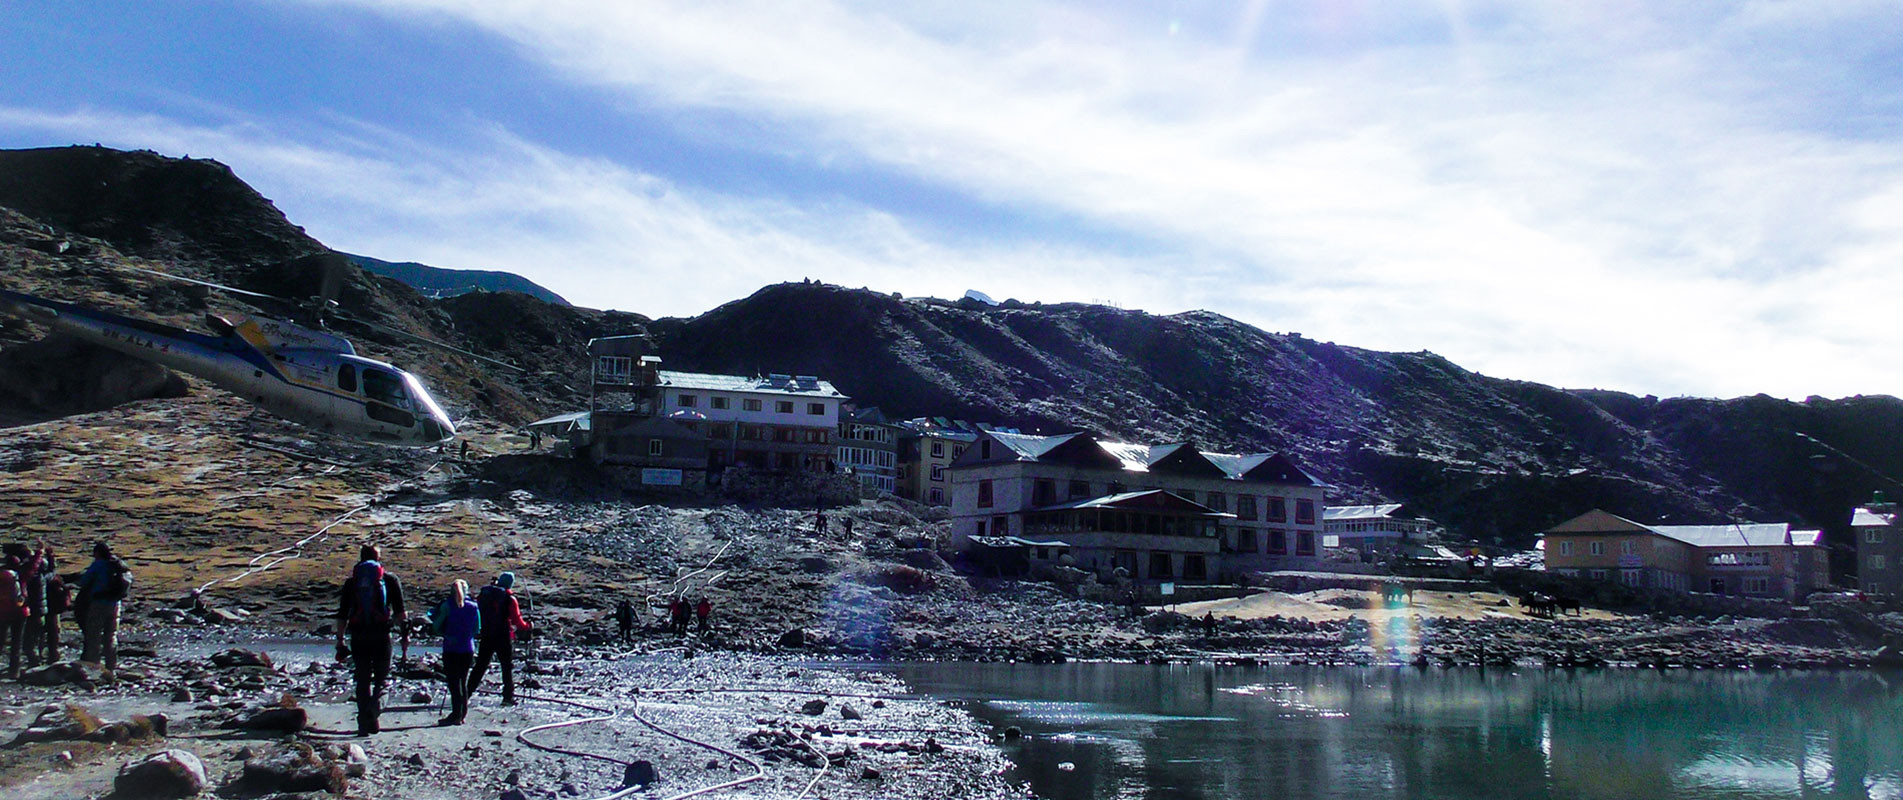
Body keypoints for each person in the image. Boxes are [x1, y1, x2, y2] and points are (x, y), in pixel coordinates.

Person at [336, 545, 406, 735]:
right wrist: (405, 638)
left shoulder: (352, 583)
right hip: (382, 636)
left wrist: (340, 640)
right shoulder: (390, 580)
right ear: (378, 558)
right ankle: (373, 713)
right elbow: (401, 614)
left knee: (362, 680)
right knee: (382, 681)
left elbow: (342, 614)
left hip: (358, 636)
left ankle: (364, 724)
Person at [468, 572, 530, 706]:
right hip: (503, 635)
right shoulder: (509, 598)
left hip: (486, 634)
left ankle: (465, 694)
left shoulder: (485, 594)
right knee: (506, 667)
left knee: (480, 665)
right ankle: (508, 697)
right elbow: (517, 621)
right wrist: (528, 626)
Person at [429, 579, 480, 726]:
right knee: (462, 681)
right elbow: (477, 629)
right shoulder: (474, 606)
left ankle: (456, 714)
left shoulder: (447, 605)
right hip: (468, 648)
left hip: (451, 648)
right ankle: (462, 714)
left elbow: (436, 626)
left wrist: (445, 633)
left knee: (453, 682)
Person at [76, 542, 130, 673]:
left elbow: (84, 581)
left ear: (98, 553)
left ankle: (93, 666)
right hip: (115, 603)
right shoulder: (120, 565)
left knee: (94, 635)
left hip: (98, 603)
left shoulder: (98, 565)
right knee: (111, 635)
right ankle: (111, 666)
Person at [0, 549, 27, 679]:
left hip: (2, 612)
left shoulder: (1, 576)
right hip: (18, 613)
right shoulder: (19, 577)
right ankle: (14, 671)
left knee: (1, 640)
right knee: (17, 642)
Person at [41, 556, 67, 666]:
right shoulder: (53, 577)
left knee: (41, 633)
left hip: (42, 609)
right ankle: (53, 654)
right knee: (54, 633)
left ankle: (42, 655)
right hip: (54, 609)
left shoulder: (39, 578)